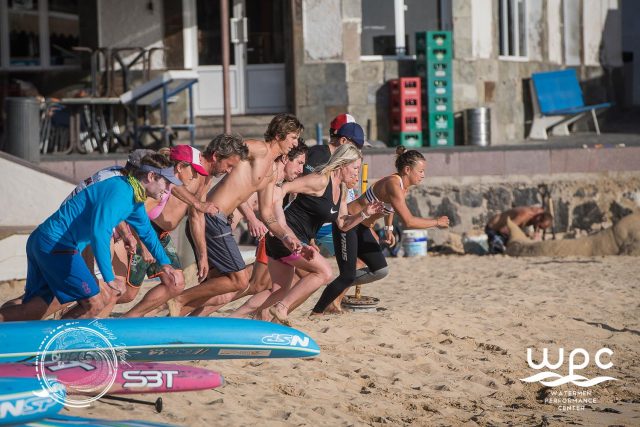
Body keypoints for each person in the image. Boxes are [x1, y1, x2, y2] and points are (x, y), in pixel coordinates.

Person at [0, 154, 182, 321]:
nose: (169, 189)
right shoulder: (121, 191)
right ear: (151, 177)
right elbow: (99, 232)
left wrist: (165, 263)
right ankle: (58, 346)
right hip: (56, 245)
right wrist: (109, 277)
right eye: (167, 182)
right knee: (95, 302)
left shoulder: (134, 198)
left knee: (33, 309)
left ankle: (40, 344)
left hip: (46, 241)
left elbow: (147, 233)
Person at [169, 114, 308, 316]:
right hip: (212, 218)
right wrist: (202, 178)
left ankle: (179, 321)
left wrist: (286, 237)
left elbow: (268, 214)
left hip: (220, 221)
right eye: (293, 138)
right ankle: (179, 299)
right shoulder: (259, 149)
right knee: (240, 280)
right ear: (279, 135)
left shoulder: (270, 172)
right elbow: (225, 149)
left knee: (222, 289)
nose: (295, 143)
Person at [254, 143, 384, 326]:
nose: (357, 173)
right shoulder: (321, 180)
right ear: (342, 164)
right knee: (324, 272)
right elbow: (281, 188)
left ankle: (247, 319)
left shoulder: (342, 191)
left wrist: (364, 214)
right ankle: (281, 308)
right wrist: (280, 226)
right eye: (355, 168)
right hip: (287, 235)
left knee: (278, 289)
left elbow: (343, 224)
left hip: (296, 240)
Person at [311, 145, 450, 315]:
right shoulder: (393, 184)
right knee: (348, 274)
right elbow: (408, 221)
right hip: (348, 222)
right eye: (421, 171)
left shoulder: (401, 186)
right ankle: (318, 311)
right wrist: (436, 222)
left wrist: (389, 228)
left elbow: (390, 207)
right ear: (407, 170)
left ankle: (335, 291)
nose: (423, 175)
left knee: (380, 270)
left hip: (363, 227)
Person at [117, 145, 211, 317]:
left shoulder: (172, 184)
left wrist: (198, 204)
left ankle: (130, 317)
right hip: (138, 233)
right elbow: (134, 215)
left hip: (157, 234)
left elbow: (183, 196)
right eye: (194, 171)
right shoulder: (159, 186)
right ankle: (77, 302)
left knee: (175, 282)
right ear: (180, 167)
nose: (196, 176)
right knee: (126, 294)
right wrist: (143, 246)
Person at [485, 206, 553, 254]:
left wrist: (536, 234)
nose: (538, 228)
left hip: (506, 230)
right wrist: (525, 236)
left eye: (541, 228)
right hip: (494, 229)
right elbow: (504, 230)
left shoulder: (540, 213)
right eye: (539, 226)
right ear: (538, 218)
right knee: (498, 252)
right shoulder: (524, 215)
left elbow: (537, 226)